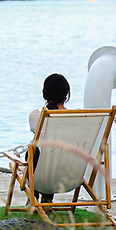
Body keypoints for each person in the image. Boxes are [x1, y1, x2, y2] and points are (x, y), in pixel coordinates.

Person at [27, 73, 71, 204]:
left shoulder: (36, 116)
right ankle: (47, 199)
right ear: (66, 95)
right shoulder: (74, 118)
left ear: (44, 94)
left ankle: (33, 197)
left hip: (41, 173)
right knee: (53, 154)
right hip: (66, 174)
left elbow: (34, 129)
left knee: (34, 152)